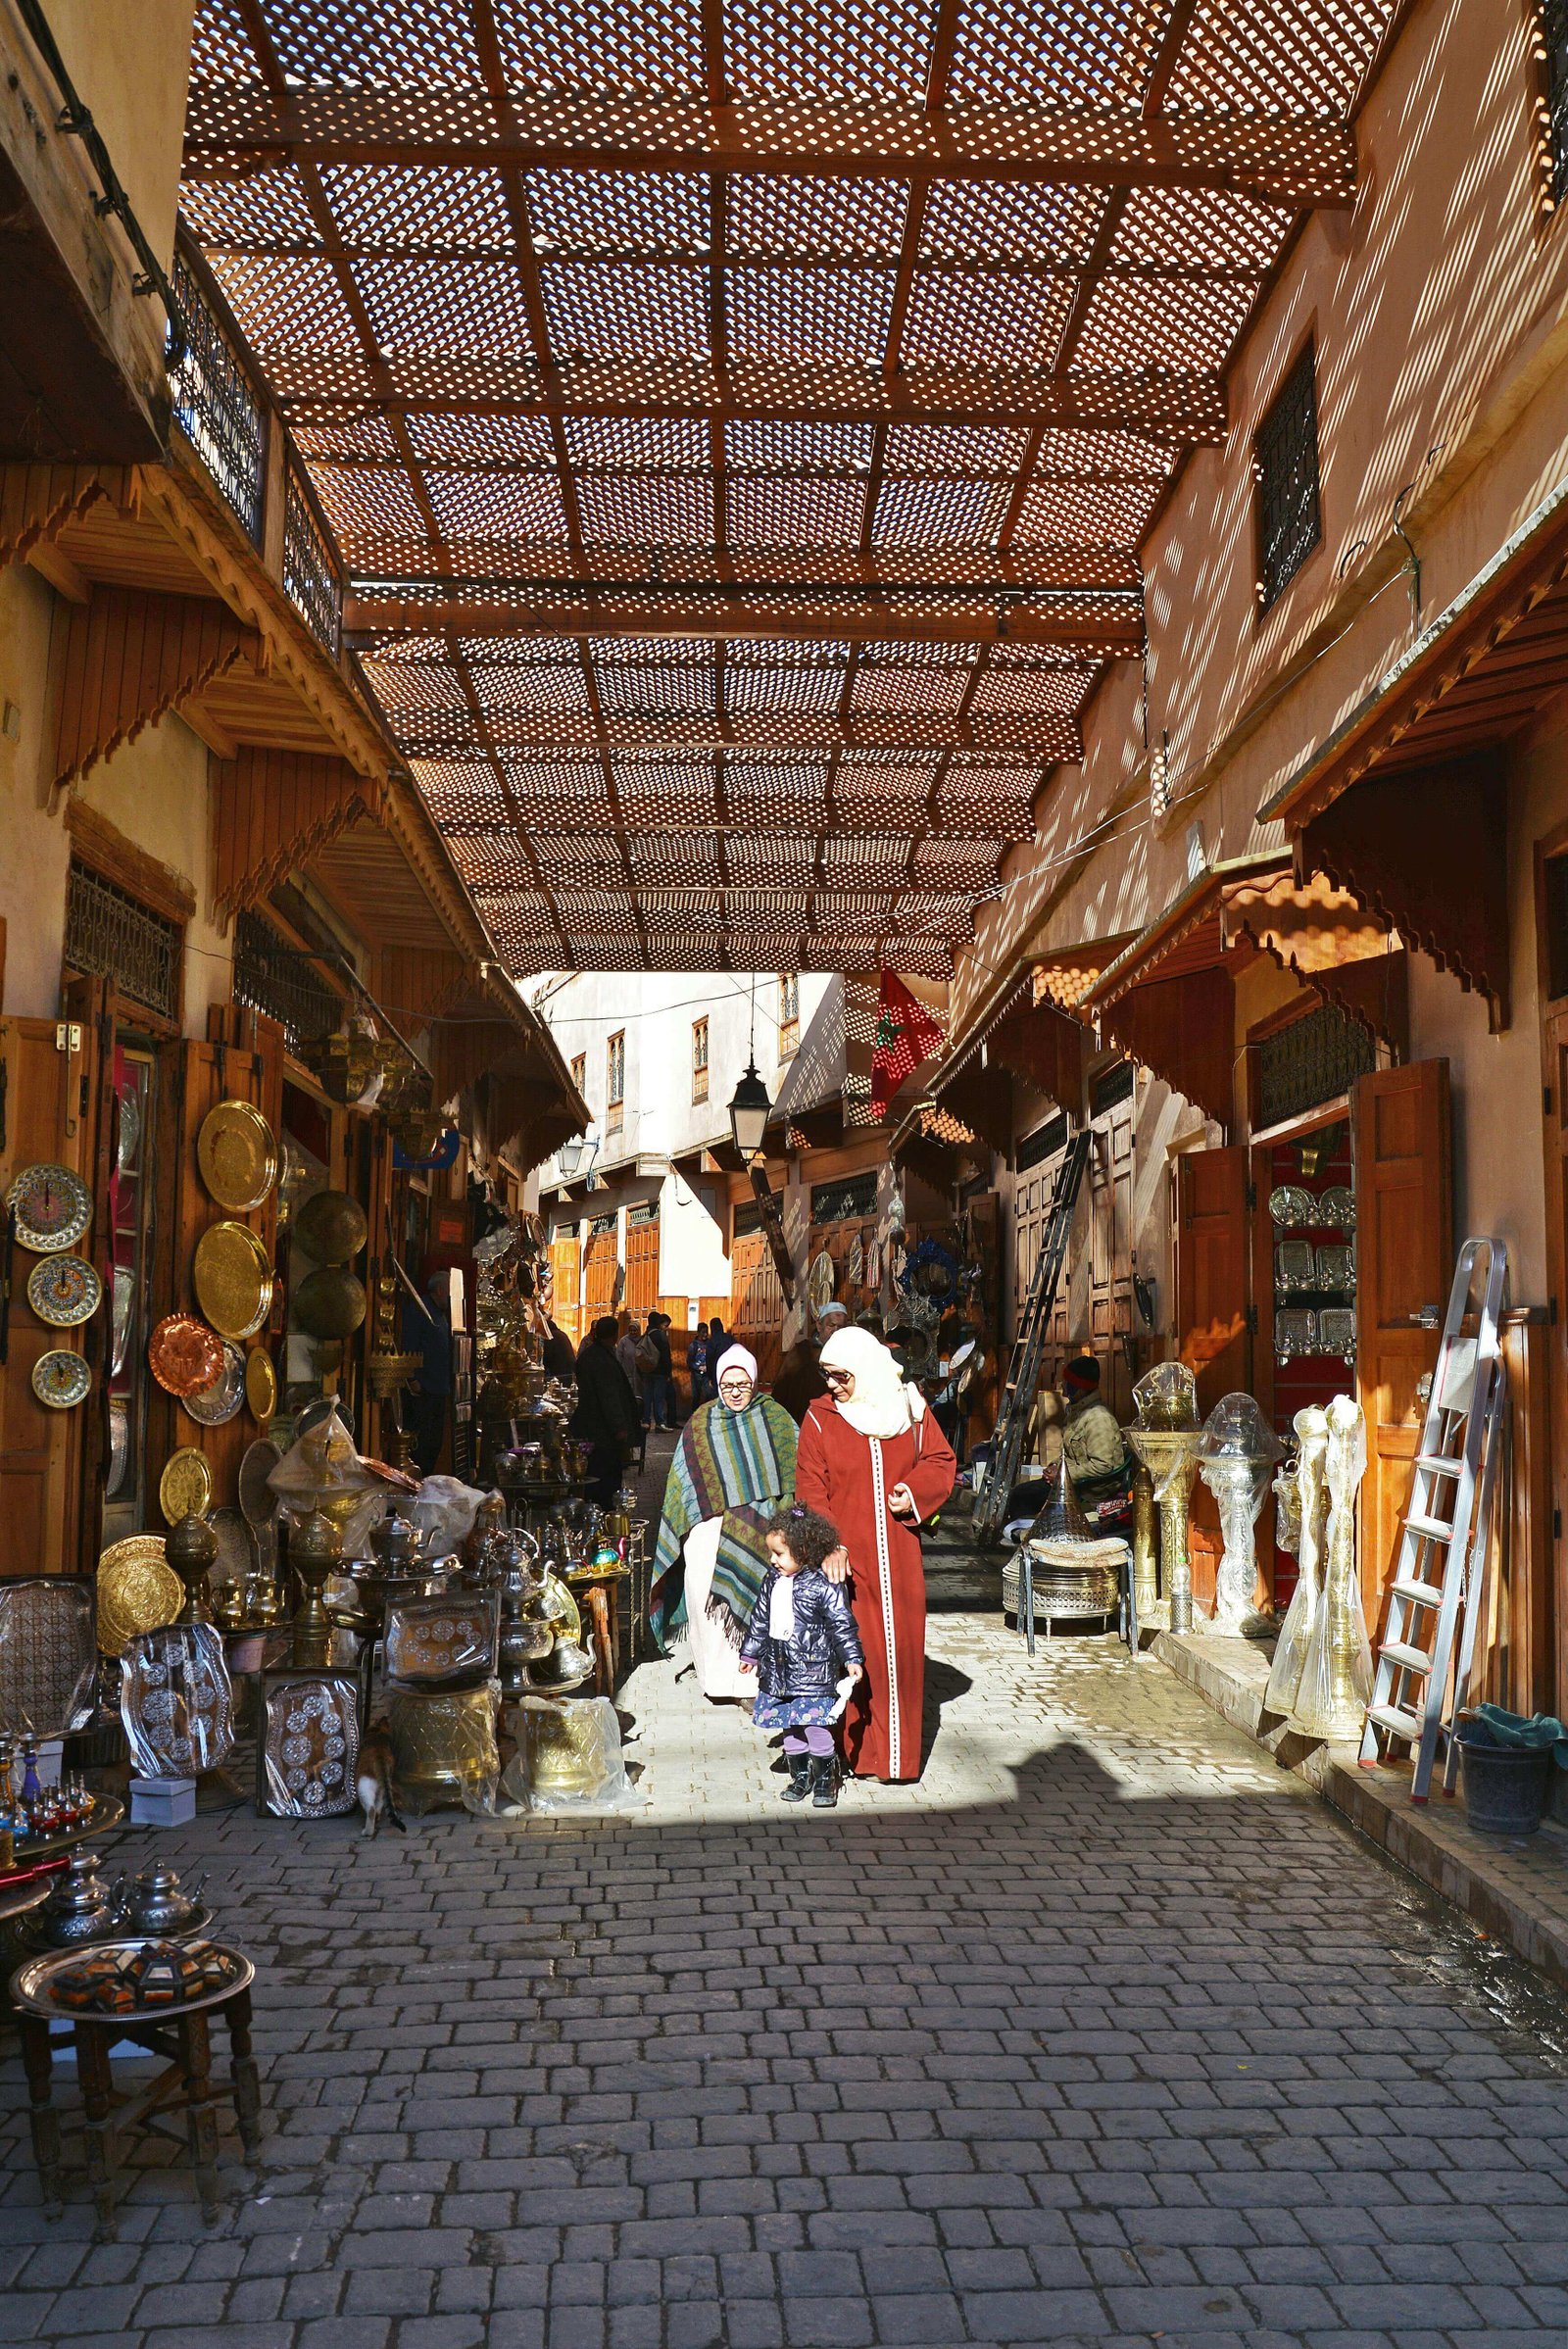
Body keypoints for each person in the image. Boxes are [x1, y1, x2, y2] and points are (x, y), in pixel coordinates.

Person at [796, 1325, 956, 1784]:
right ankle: (853, 1754)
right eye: (827, 1375)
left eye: (841, 1376)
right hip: (845, 1560)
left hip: (901, 1557)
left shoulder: (908, 1407)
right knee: (853, 1656)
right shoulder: (821, 1419)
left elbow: (941, 1461)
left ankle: (898, 1762)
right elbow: (810, 1489)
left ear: (865, 1371)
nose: (832, 1385)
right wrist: (830, 1546)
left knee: (900, 1656)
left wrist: (913, 1492)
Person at [650, 1345, 798, 1701]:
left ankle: (753, 1682)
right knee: (704, 1589)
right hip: (709, 1525)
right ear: (717, 1384)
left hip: (766, 1526)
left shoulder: (775, 1418)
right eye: (727, 1385)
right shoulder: (701, 1422)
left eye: (743, 1385)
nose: (734, 1392)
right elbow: (684, 1483)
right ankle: (717, 1679)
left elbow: (796, 1469)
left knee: (765, 1597)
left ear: (755, 1384)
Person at [739, 1504, 864, 1809]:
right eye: (772, 1553)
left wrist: (851, 1658)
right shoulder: (772, 1580)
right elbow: (759, 1619)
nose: (773, 1560)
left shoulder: (825, 1585)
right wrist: (750, 1653)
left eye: (779, 1554)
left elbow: (841, 1624)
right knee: (791, 1727)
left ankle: (825, 1780)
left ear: (804, 1550)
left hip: (813, 1672)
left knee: (815, 1727)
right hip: (779, 1670)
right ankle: (800, 1776)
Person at [570, 1315, 641, 1504]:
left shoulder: (590, 1356)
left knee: (595, 1474)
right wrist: (619, 1427)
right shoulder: (603, 1359)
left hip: (591, 1425)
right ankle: (603, 1513)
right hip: (603, 1431)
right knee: (605, 1477)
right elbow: (609, 1396)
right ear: (614, 1334)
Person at [1057, 1355, 1134, 1527]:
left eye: (1067, 1383)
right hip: (1071, 1482)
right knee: (1025, 1492)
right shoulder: (1077, 1412)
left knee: (1026, 1496)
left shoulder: (1098, 1418)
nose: (1062, 1387)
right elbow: (1070, 1454)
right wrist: (1055, 1468)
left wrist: (1062, 1474)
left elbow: (1103, 1465)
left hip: (1092, 1489)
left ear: (1079, 1388)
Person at [772, 1332, 829, 1426]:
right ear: (819, 1326)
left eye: (840, 1326)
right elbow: (782, 1384)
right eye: (831, 1325)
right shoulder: (802, 1351)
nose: (835, 1330)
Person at [615, 1316, 647, 1469]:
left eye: (635, 1329)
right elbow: (618, 1358)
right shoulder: (623, 1341)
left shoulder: (643, 1340)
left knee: (640, 1398)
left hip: (640, 1377)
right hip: (627, 1375)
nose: (633, 1332)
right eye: (631, 1329)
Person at [643, 1311, 675, 1432]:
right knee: (659, 1397)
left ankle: (646, 1421)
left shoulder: (645, 1334)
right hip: (660, 1371)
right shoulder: (661, 1335)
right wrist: (668, 1372)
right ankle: (659, 1423)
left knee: (647, 1397)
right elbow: (666, 1355)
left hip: (647, 1371)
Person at [686, 1322, 711, 1406]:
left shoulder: (709, 1344)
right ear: (698, 1332)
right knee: (696, 1396)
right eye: (703, 1332)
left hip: (707, 1374)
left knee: (708, 1395)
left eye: (706, 1332)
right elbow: (689, 1361)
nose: (705, 1334)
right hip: (696, 1374)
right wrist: (698, 1367)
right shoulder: (693, 1345)